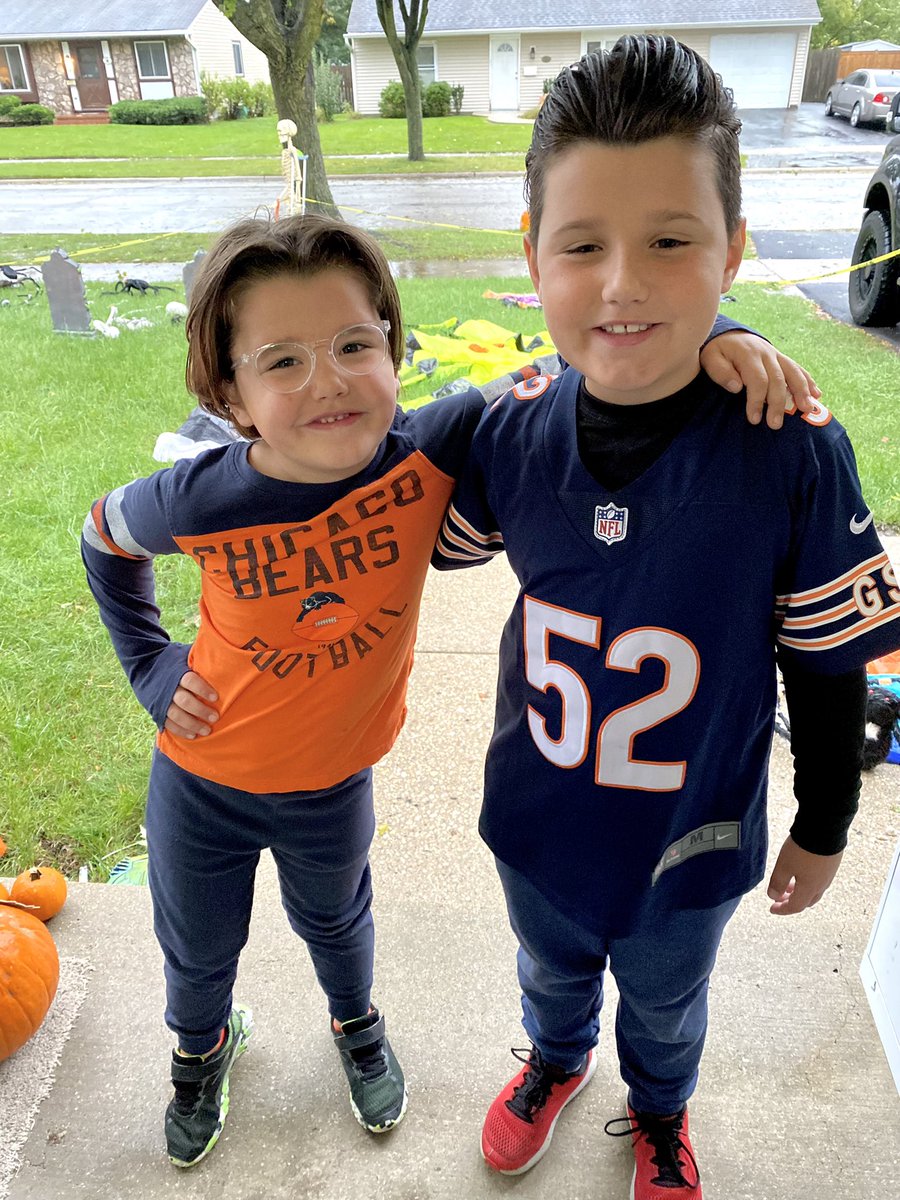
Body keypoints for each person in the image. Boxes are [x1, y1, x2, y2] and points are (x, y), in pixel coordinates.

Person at [81, 212, 815, 1171]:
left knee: (339, 923)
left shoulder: (433, 448)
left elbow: (603, 359)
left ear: (395, 343)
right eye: (283, 361)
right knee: (197, 944)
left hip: (334, 782)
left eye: (355, 344)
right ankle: (199, 1049)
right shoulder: (201, 497)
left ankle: (357, 1026)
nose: (330, 381)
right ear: (230, 392)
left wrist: (725, 332)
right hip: (200, 780)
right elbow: (104, 538)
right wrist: (147, 661)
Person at [432, 36, 900, 1200]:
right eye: (581, 245)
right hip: (539, 819)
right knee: (549, 974)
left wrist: (828, 817)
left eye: (672, 242)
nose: (623, 283)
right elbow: (394, 513)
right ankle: (552, 1060)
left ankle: (659, 1110)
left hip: (689, 842)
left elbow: (829, 659)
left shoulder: (790, 449)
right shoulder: (503, 434)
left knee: (671, 1001)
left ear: (732, 251)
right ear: (529, 258)